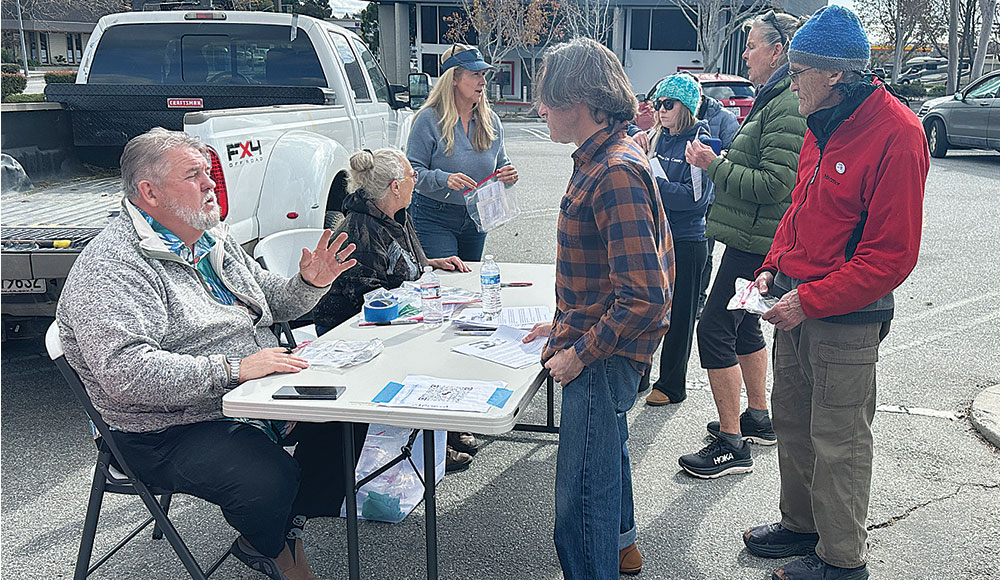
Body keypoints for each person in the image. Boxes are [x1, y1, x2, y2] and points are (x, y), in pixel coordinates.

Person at [56, 127, 366, 580]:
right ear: (150, 192)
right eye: (193, 175)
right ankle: (273, 543)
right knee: (266, 478)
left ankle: (279, 530)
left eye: (207, 173)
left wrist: (310, 282)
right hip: (160, 425)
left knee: (349, 412)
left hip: (248, 391)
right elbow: (126, 372)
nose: (209, 184)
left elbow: (273, 303)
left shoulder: (210, 239)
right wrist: (235, 370)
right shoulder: (112, 266)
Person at [747, 7, 928, 579]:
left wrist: (811, 299)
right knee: (795, 424)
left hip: (844, 317)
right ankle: (801, 526)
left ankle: (842, 562)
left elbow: (891, 256)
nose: (789, 79)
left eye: (797, 69)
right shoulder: (821, 121)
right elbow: (799, 209)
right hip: (798, 303)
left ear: (833, 75)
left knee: (840, 439)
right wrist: (773, 267)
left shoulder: (897, 133)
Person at [523, 38, 673, 579]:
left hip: (605, 359)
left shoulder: (613, 170)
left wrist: (581, 351)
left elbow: (644, 294)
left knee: (581, 500)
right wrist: (563, 323)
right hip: (606, 349)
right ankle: (624, 547)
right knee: (607, 465)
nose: (541, 109)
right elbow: (614, 279)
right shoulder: (604, 157)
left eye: (549, 99)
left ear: (582, 102)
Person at [680, 10, 807, 478]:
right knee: (745, 326)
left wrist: (714, 165)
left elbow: (777, 182)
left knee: (713, 327)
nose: (745, 53)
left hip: (757, 242)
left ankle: (731, 444)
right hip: (751, 238)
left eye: (752, 45)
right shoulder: (772, 97)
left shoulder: (785, 104)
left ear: (778, 51)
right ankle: (756, 417)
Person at [310, 147, 480, 472]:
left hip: (392, 316)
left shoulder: (396, 215)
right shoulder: (357, 232)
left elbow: (401, 266)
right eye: (411, 176)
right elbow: (368, 299)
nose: (415, 180)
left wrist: (430, 264)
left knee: (452, 331)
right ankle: (429, 443)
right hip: (353, 333)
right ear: (395, 186)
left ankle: (442, 428)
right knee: (440, 341)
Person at [638, 74, 712, 406]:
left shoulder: (699, 140)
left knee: (680, 316)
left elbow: (694, 198)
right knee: (646, 307)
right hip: (656, 236)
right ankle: (640, 373)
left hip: (687, 239)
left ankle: (671, 385)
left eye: (669, 104)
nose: (661, 111)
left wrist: (653, 183)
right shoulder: (655, 137)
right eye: (658, 104)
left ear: (686, 107)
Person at [406, 44, 519, 262]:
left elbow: (501, 163)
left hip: (478, 216)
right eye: (475, 74)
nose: (483, 82)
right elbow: (412, 173)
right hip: (434, 216)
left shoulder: (491, 121)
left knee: (469, 282)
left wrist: (508, 175)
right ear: (454, 79)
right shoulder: (428, 119)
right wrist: (444, 178)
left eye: (483, 74)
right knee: (446, 281)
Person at [692, 90, 740, 318]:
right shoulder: (682, 116)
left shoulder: (725, 118)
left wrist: (714, 157)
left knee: (706, 253)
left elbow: (734, 155)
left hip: (711, 197)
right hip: (685, 196)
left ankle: (699, 298)